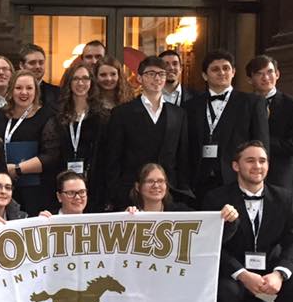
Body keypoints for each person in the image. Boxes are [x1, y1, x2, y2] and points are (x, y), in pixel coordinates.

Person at [204, 142, 293, 302]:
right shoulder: (216, 198)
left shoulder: (285, 198)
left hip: (269, 261)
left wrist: (279, 274)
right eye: (250, 160)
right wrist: (242, 274)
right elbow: (212, 245)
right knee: (226, 292)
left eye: (262, 161)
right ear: (236, 166)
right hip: (233, 266)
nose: (257, 166)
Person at [104, 55, 191, 210]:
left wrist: (182, 190)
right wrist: (115, 192)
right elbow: (113, 157)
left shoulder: (178, 114)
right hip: (130, 194)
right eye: (151, 74)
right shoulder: (122, 113)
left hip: (168, 194)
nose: (157, 78)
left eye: (161, 74)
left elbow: (183, 157)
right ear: (139, 78)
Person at [185, 49, 269, 206]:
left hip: (236, 179)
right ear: (205, 75)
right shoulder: (190, 106)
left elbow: (261, 144)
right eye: (215, 69)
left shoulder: (252, 103)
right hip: (198, 182)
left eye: (226, 68)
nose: (221, 73)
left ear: (233, 72)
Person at [0, 69, 60, 217]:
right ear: (11, 90)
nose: (24, 92)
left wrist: (17, 169)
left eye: (29, 88)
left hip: (36, 191)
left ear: (36, 91)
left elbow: (51, 156)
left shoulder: (47, 116)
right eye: (18, 88)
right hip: (2, 187)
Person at [246, 54, 293, 200]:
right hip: (247, 178)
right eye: (259, 74)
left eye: (270, 72)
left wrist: (263, 143)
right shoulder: (243, 104)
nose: (266, 78)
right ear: (250, 79)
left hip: (281, 179)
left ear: (277, 74)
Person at [48, 60, 108, 212]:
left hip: (94, 184)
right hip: (62, 184)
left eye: (85, 78)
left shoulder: (103, 116)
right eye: (76, 78)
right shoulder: (57, 115)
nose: (81, 83)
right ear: (69, 82)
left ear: (92, 83)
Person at [126, 163, 197, 213]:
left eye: (160, 181)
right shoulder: (132, 213)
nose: (156, 185)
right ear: (137, 187)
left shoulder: (181, 211)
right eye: (150, 181)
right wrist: (125, 217)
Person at [18, 42, 60, 111]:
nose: (38, 66)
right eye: (32, 63)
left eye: (41, 62)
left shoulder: (58, 93)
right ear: (21, 65)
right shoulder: (12, 92)